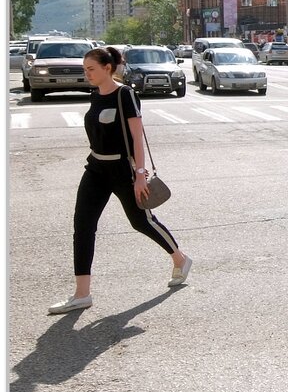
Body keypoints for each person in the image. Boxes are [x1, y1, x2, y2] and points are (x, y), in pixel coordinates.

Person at [48, 46, 192, 315]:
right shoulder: (95, 97)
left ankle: (180, 258)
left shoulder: (125, 95)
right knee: (83, 225)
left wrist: (140, 174)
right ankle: (82, 294)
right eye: (85, 69)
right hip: (95, 169)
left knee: (141, 221)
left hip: (122, 171)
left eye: (91, 69)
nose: (87, 74)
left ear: (107, 68)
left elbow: (137, 137)